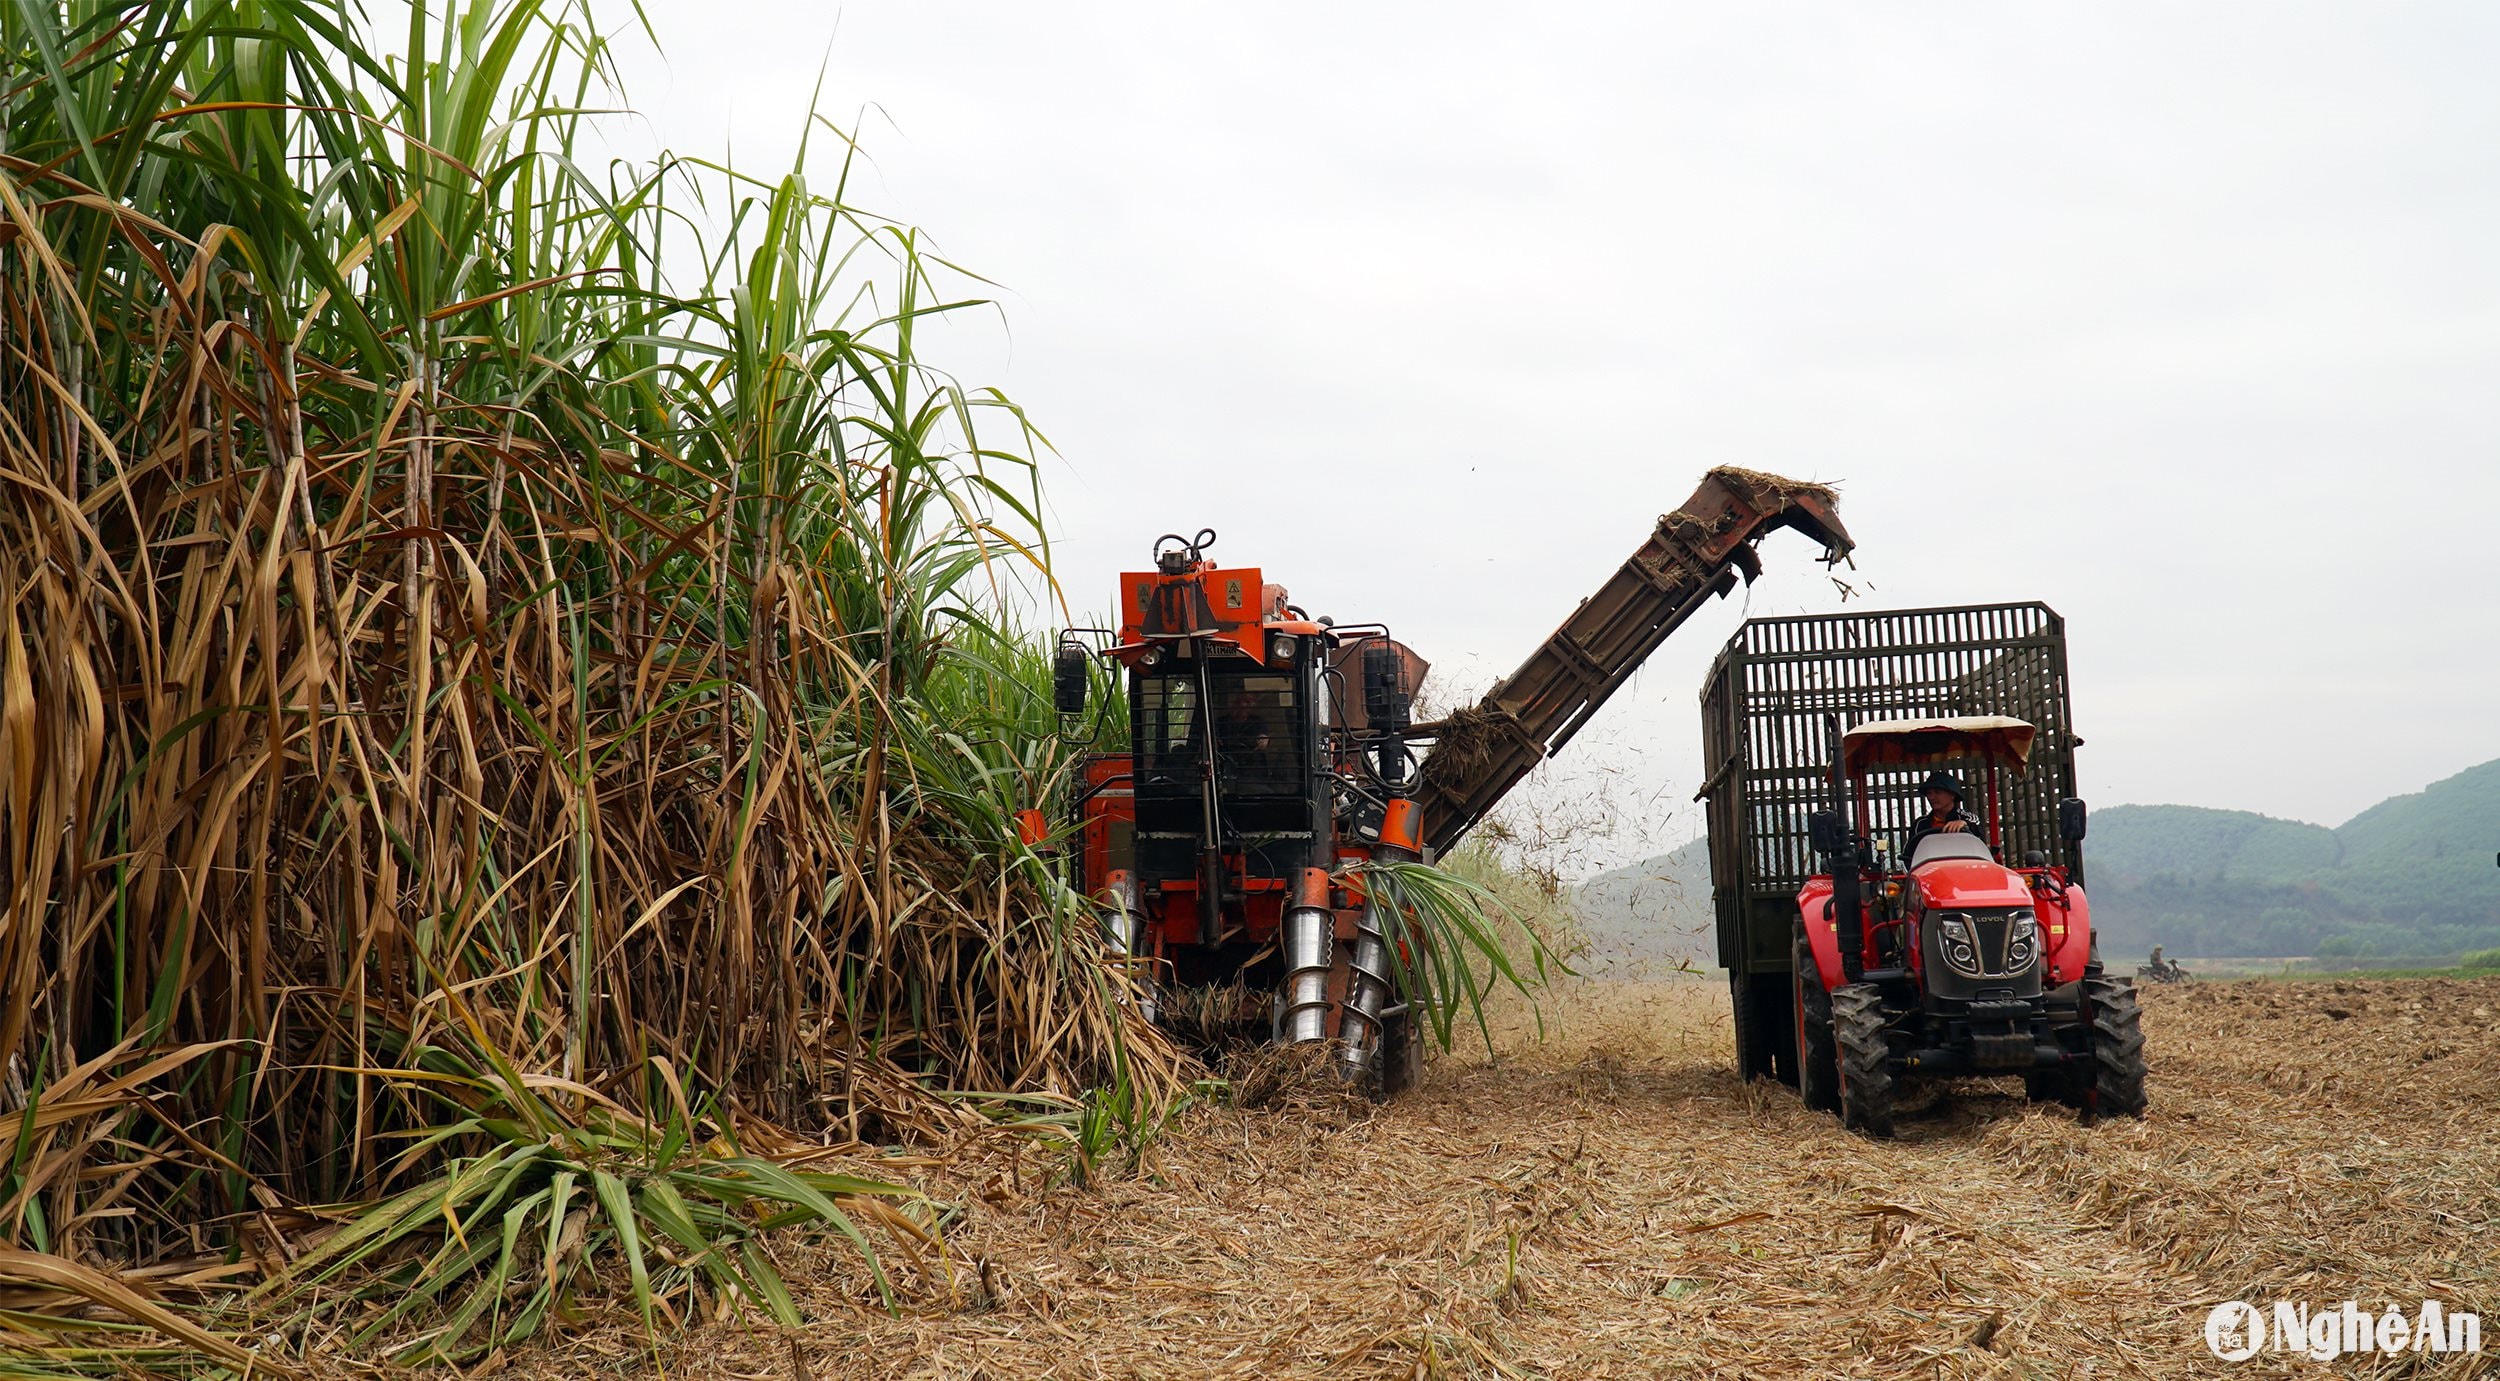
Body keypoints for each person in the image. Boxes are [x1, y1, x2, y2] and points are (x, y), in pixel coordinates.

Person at [1906, 770, 1988, 857]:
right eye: (1929, 793)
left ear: (1952, 795)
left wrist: (1965, 824)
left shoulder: (1964, 818)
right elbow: (1908, 856)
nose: (1931, 797)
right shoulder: (1919, 824)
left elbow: (1977, 826)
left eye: (1938, 792)